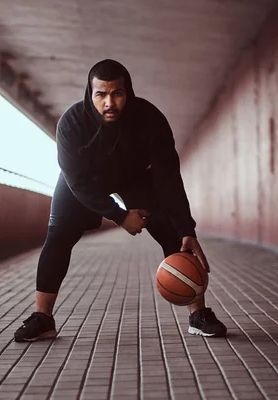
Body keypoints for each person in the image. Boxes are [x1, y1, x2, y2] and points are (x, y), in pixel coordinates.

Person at [14, 59, 227, 342]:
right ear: (90, 95)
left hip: (134, 178)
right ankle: (43, 318)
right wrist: (120, 216)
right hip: (83, 182)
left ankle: (198, 315)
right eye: (101, 94)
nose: (109, 102)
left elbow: (168, 179)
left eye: (117, 93)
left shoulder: (151, 120)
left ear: (129, 92)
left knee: (174, 233)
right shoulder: (72, 124)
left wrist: (187, 228)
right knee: (58, 235)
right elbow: (77, 182)